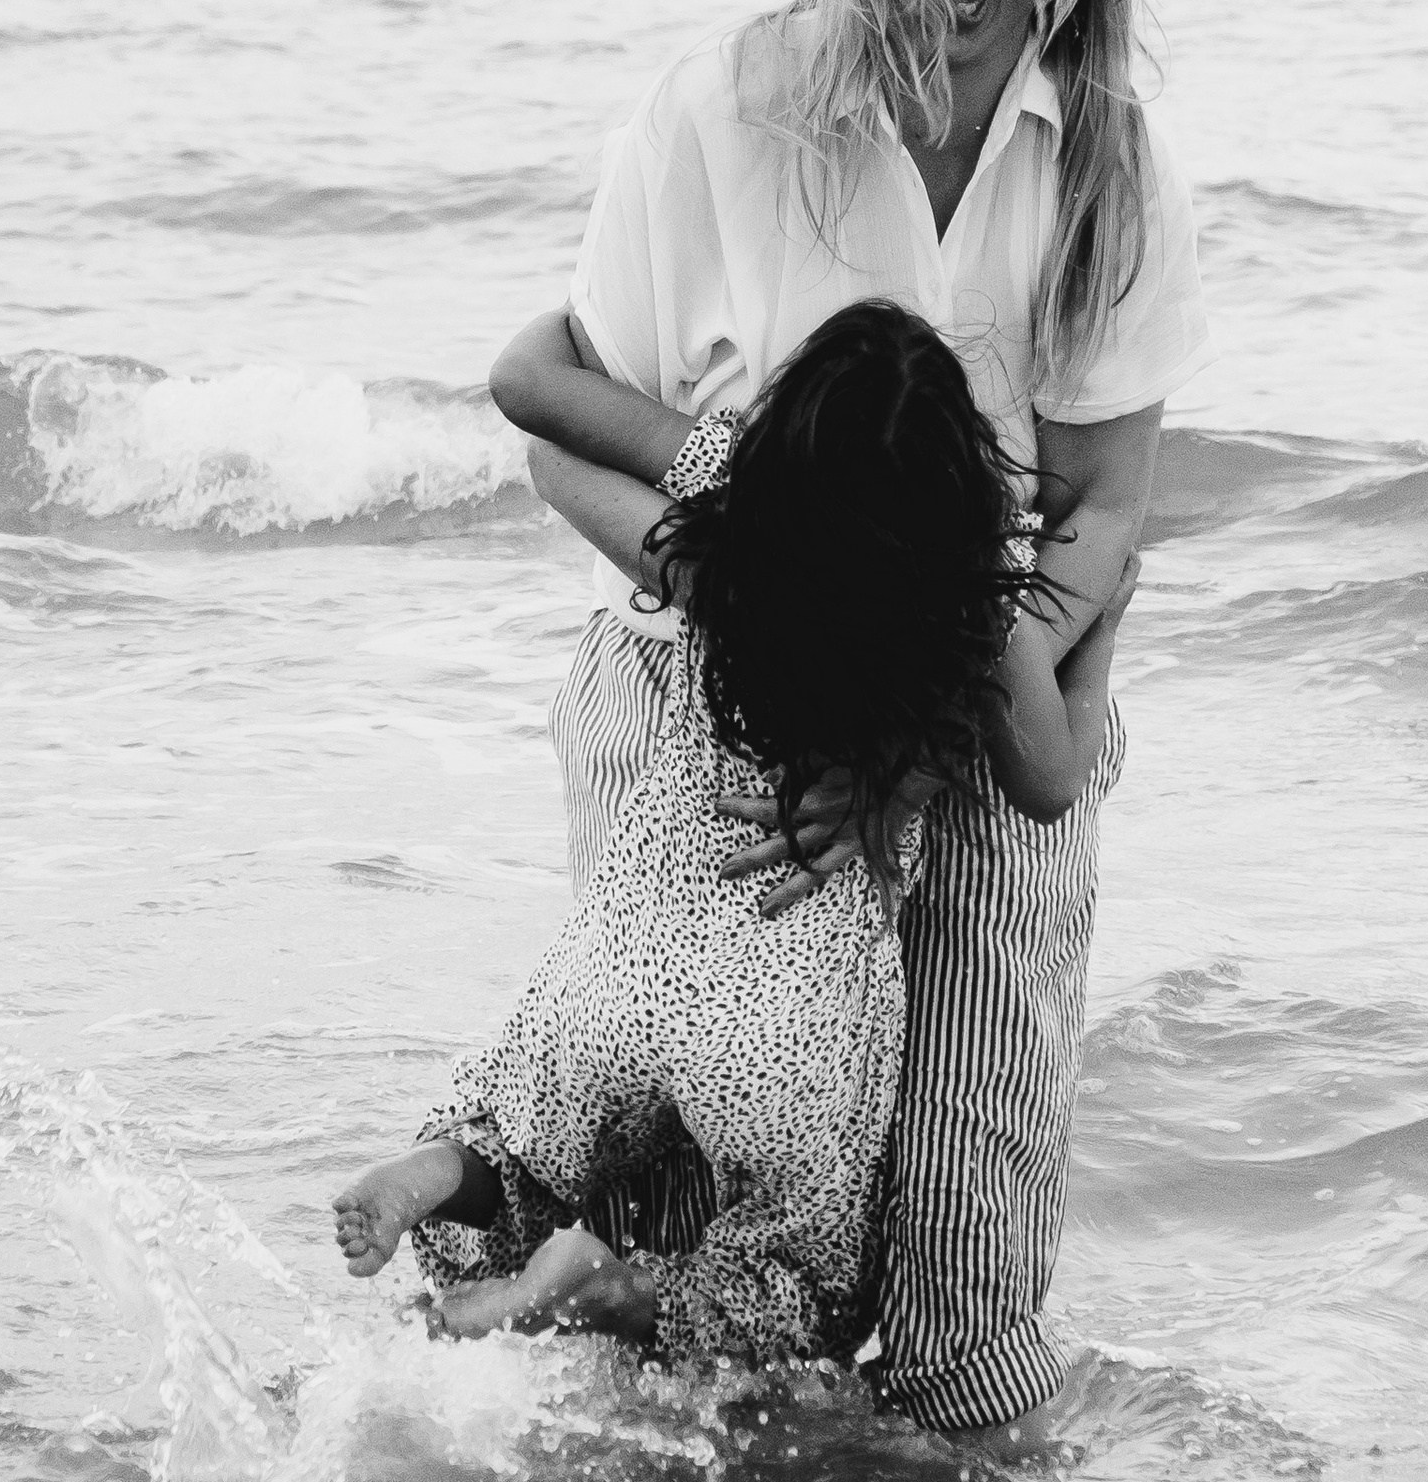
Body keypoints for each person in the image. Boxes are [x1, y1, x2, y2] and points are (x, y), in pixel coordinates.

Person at [485, 0, 1210, 1432]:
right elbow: (549, 417)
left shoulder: (1106, 166)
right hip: (702, 717)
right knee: (696, 1245)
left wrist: (1041, 689)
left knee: (963, 1288)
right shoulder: (727, 105)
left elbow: (1111, 504)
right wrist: (754, 548)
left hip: (961, 716)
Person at [332, 304, 1138, 1359]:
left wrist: (604, 318)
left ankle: (440, 1172)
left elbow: (544, 445)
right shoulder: (967, 601)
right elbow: (1048, 777)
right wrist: (1103, 624)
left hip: (632, 955)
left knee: (525, 1126)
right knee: (788, 1292)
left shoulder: (725, 531)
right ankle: (607, 1292)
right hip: (793, 1011)